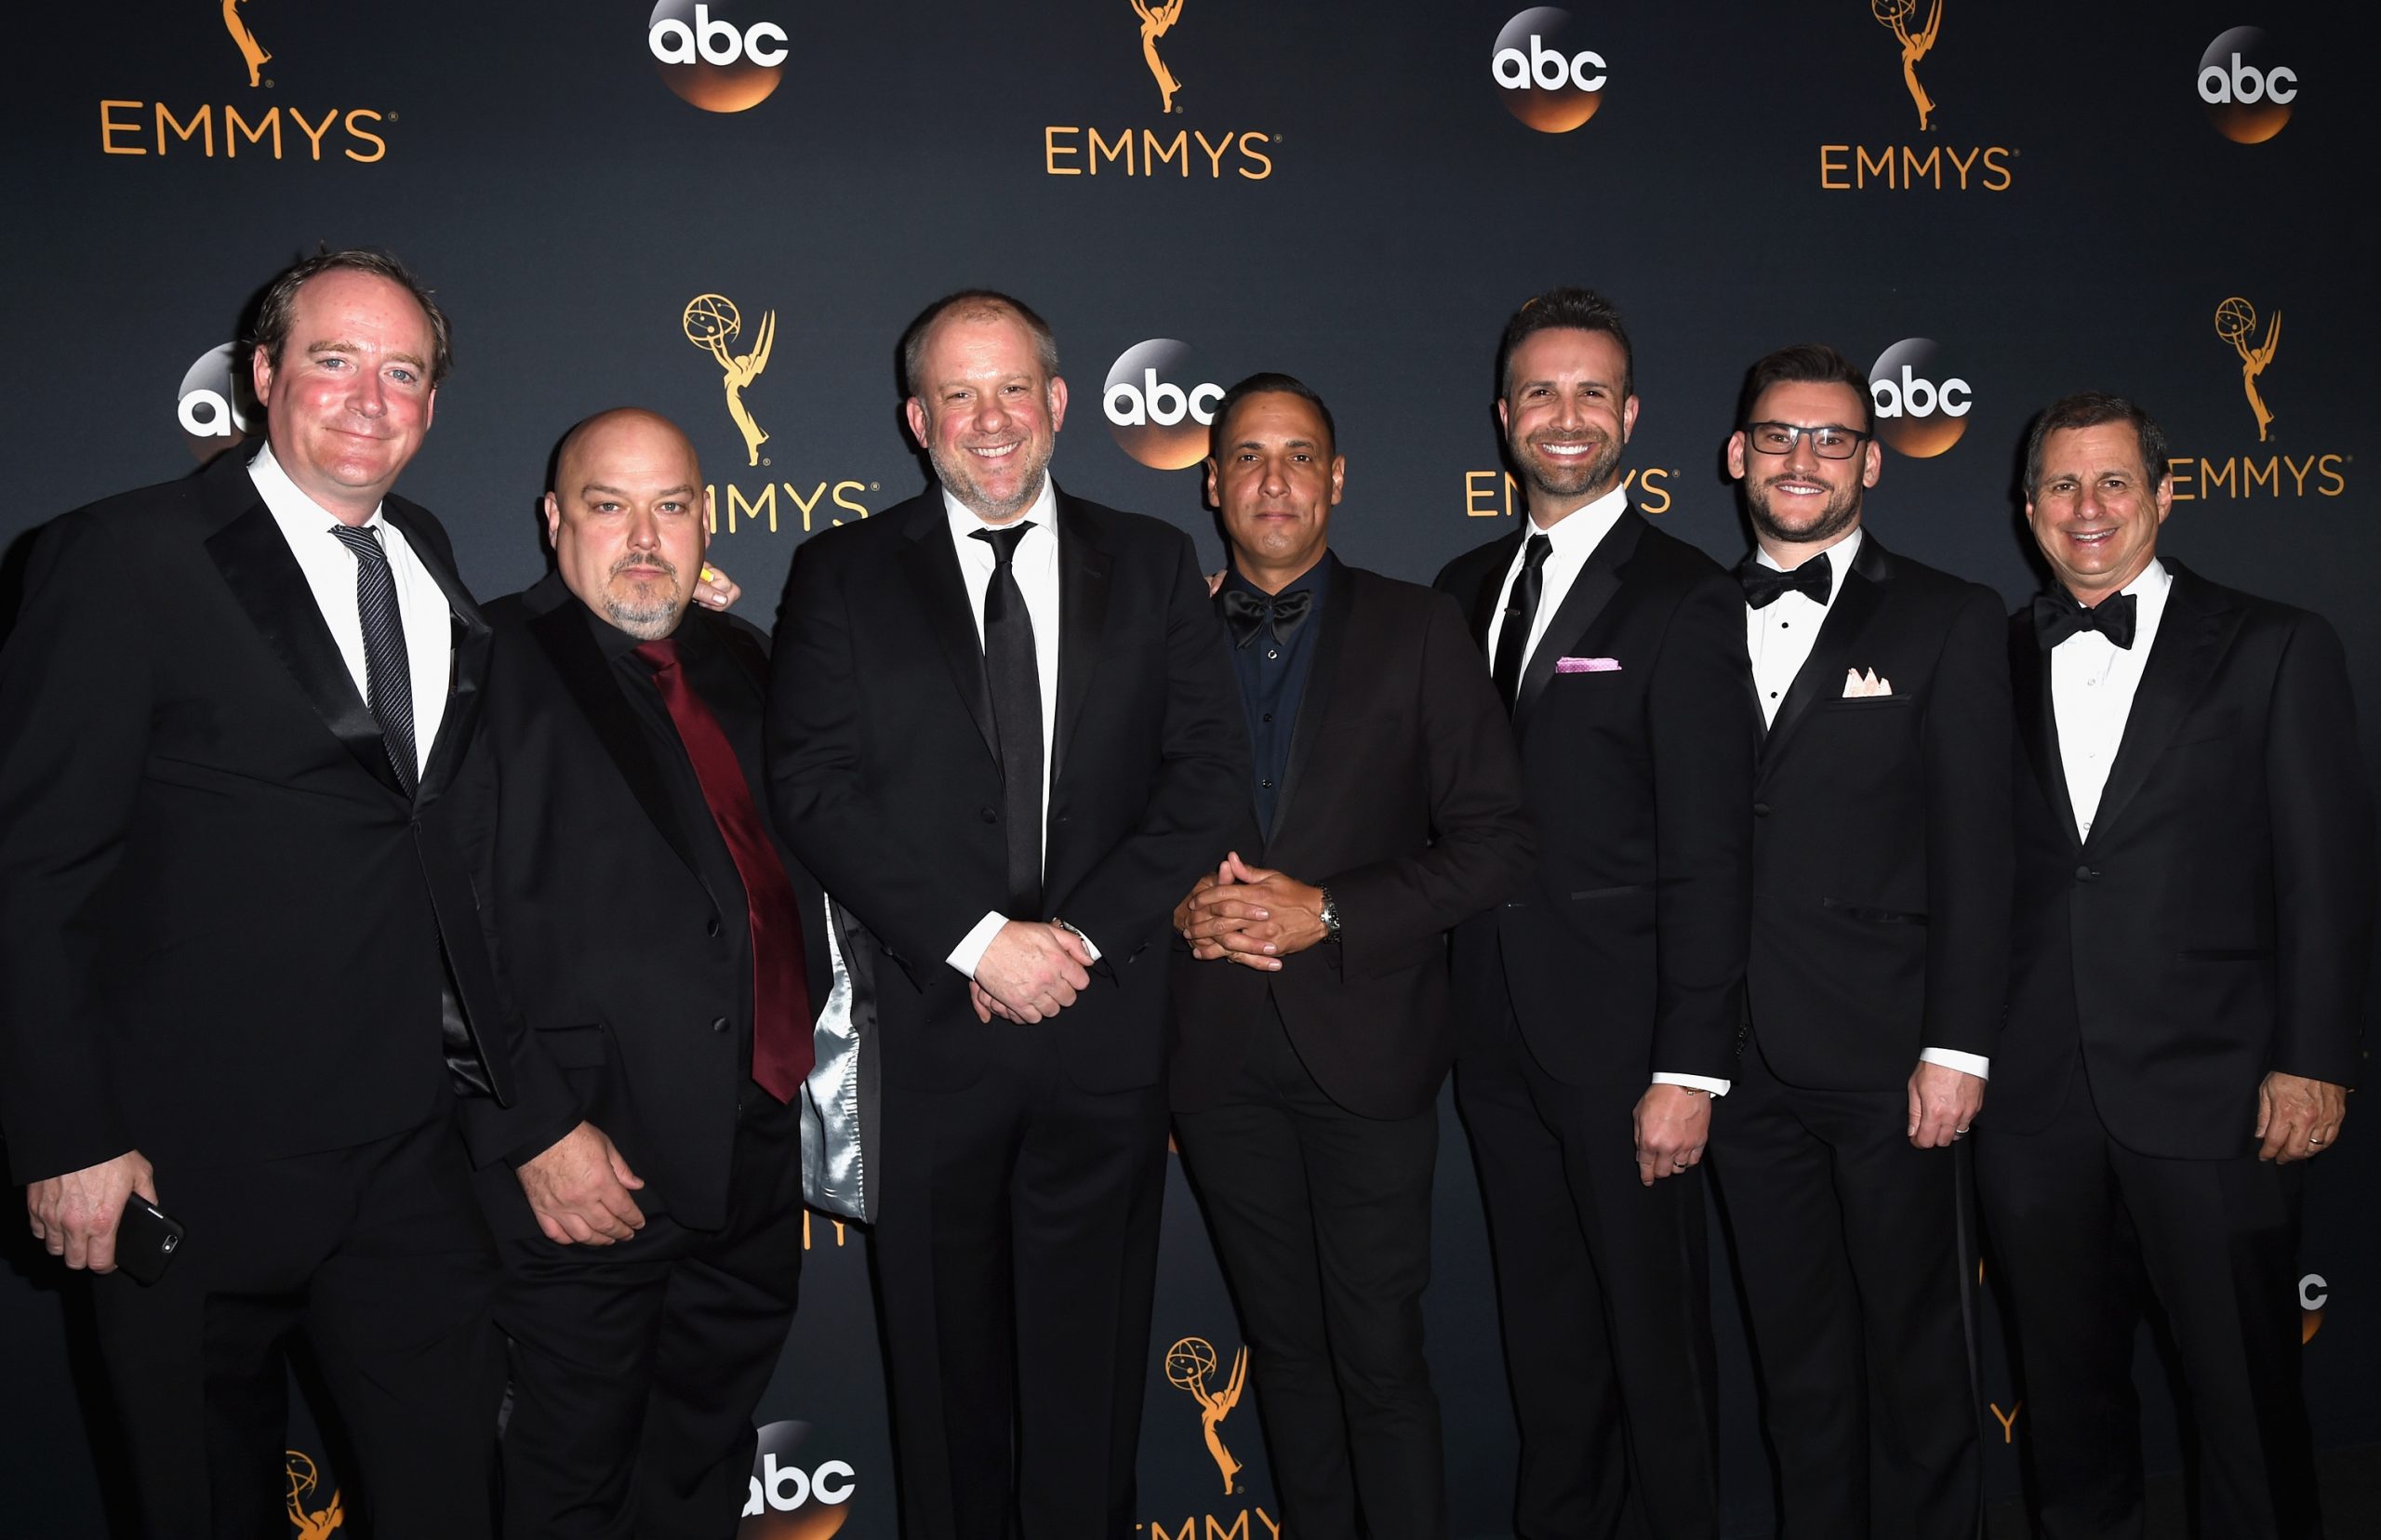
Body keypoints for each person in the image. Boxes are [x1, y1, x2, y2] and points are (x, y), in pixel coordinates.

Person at [0, 249, 523, 1538]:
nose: (369, 398)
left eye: (403, 371)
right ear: (263, 374)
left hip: (405, 1155)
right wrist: (67, 1137)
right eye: (334, 360)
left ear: (433, 403)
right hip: (187, 1156)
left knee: (453, 1497)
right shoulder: (118, 555)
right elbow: (34, 866)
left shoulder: (425, 550)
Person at [765, 290, 1244, 1538]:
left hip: (1103, 1039)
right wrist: (981, 945)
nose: (990, 420)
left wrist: (1072, 942)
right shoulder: (839, 573)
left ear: (1060, 403)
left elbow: (1208, 781)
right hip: (931, 1046)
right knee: (943, 1398)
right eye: (959, 395)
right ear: (916, 418)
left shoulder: (1151, 564)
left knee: (1090, 1398)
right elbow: (812, 790)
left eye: (1013, 389)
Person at [1979, 392, 2374, 1540]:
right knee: (2065, 1410)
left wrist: (2312, 1058)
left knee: (2244, 1404)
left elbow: (2326, 875)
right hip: (2034, 1098)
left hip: (2218, 1091)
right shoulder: (1985, 656)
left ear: (2162, 494)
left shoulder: (2273, 643)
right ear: (2027, 509)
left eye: (2113, 482)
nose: (2087, 507)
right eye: (2061, 485)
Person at [451, 408, 838, 1537]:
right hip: (585, 1168)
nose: (642, 538)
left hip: (750, 1159)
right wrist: (532, 1130)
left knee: (699, 1467)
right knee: (567, 1481)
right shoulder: (481, 663)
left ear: (705, 521)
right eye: (607, 506)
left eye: (670, 507)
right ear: (552, 520)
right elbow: (441, 926)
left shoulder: (743, 657)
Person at [1169, 374, 1533, 1538]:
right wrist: (1176, 911)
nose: (1273, 480)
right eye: (1248, 456)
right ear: (1212, 482)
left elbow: (1494, 844)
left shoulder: (1419, 627)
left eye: (1298, 456)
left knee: (1378, 1355)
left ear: (1335, 478)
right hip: (1215, 1056)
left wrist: (1328, 910)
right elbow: (1107, 832)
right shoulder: (1159, 637)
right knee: (1282, 1354)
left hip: (1370, 1048)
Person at [1432, 287, 1756, 1540]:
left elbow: (1713, 851)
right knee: (1548, 1337)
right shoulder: (1462, 587)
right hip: (1491, 1033)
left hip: (1629, 1050)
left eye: (1590, 394)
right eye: (1540, 392)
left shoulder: (1685, 593)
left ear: (1629, 417)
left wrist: (1690, 1068)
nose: (1564, 417)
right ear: (1501, 415)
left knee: (1656, 1345)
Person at [1706, 343, 2008, 1537]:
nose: (1803, 459)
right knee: (1797, 1368)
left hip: (1894, 1061)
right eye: (1780, 436)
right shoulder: (1684, 614)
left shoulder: (1947, 616)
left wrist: (1958, 1048)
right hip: (1738, 1060)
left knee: (1918, 1357)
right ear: (1737, 455)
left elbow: (1979, 851)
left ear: (1871, 463)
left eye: (1832, 439)